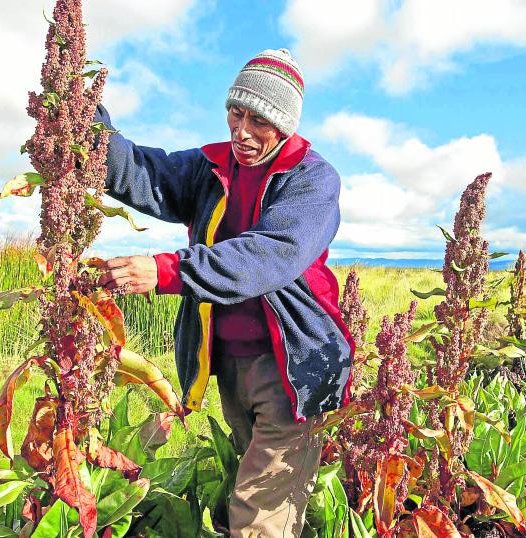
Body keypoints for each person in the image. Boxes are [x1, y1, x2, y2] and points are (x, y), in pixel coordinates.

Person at [94, 48, 354, 537]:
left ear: (285, 125)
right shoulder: (211, 166)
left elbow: (268, 255)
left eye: (259, 121)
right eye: (236, 113)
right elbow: (143, 172)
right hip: (233, 364)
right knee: (260, 494)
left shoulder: (313, 180)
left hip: (294, 366)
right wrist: (85, 121)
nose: (242, 131)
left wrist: (168, 271)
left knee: (259, 515)